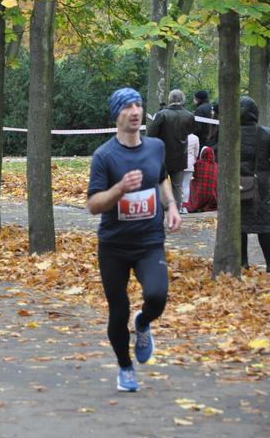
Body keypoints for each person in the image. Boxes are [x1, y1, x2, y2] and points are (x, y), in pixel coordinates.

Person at [87, 88, 181, 392]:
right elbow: (93, 205)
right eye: (127, 106)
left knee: (157, 295)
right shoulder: (104, 156)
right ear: (117, 114)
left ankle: (143, 324)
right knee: (118, 309)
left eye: (138, 104)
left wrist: (172, 205)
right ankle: (125, 368)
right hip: (114, 245)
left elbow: (162, 177)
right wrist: (119, 190)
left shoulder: (155, 147)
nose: (135, 110)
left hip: (149, 241)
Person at [147, 89, 196, 210]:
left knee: (161, 184)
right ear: (182, 100)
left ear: (169, 99)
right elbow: (190, 131)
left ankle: (160, 214)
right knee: (177, 186)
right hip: (180, 156)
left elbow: (151, 134)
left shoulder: (162, 114)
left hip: (162, 157)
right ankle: (176, 214)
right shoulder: (189, 115)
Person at [239, 96, 270, 271]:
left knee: (240, 226)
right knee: (265, 226)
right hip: (262, 186)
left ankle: (243, 262)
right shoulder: (265, 133)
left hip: (238, 185)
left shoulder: (231, 135)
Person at [185, 146, 217, 213]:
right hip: (212, 197)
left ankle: (193, 202)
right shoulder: (216, 166)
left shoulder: (197, 164)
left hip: (198, 196)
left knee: (191, 181)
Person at [181, 133, 200, 213]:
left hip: (178, 163)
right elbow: (196, 152)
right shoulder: (195, 137)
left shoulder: (178, 134)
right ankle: (184, 207)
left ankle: (178, 206)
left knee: (177, 186)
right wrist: (194, 160)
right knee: (186, 186)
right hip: (189, 164)